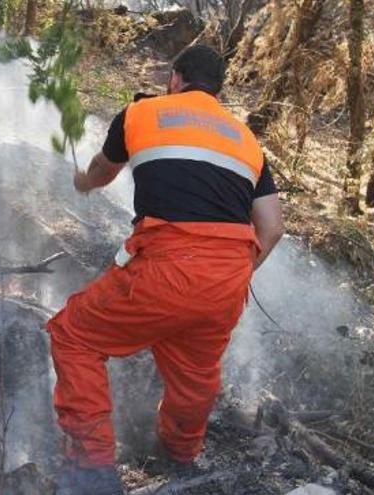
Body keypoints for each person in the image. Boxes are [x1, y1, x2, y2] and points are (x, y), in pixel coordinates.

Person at [50, 44, 284, 495]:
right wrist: (229, 275)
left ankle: (92, 467)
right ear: (217, 88)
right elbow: (271, 227)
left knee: (73, 335)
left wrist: (81, 182)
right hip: (228, 277)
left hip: (167, 263)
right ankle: (179, 461)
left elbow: (101, 172)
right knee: (194, 374)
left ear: (175, 78)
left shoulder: (143, 113)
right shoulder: (246, 140)